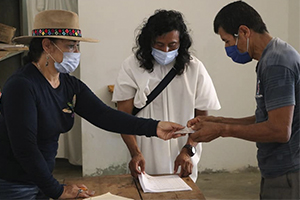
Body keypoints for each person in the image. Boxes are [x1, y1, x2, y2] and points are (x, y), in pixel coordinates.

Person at [0, 10, 185, 200]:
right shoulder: (22, 86)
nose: (77, 53)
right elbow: (25, 148)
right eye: (71, 46)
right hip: (14, 184)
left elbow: (106, 117)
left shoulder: (68, 85)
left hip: (41, 180)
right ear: (47, 45)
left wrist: (155, 127)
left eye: (78, 46)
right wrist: (57, 190)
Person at [187, 1, 300, 199]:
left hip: (289, 173)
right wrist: (218, 121)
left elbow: (280, 130)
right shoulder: (272, 58)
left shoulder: (277, 63)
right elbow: (267, 119)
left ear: (244, 31)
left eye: (227, 41)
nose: (227, 48)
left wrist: (223, 131)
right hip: (278, 170)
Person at [112, 9, 220, 182]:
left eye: (172, 45)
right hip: (144, 152)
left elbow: (203, 119)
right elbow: (122, 118)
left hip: (183, 152)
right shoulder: (131, 66)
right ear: (149, 42)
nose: (166, 50)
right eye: (159, 44)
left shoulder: (194, 68)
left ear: (181, 43)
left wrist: (188, 150)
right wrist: (135, 153)